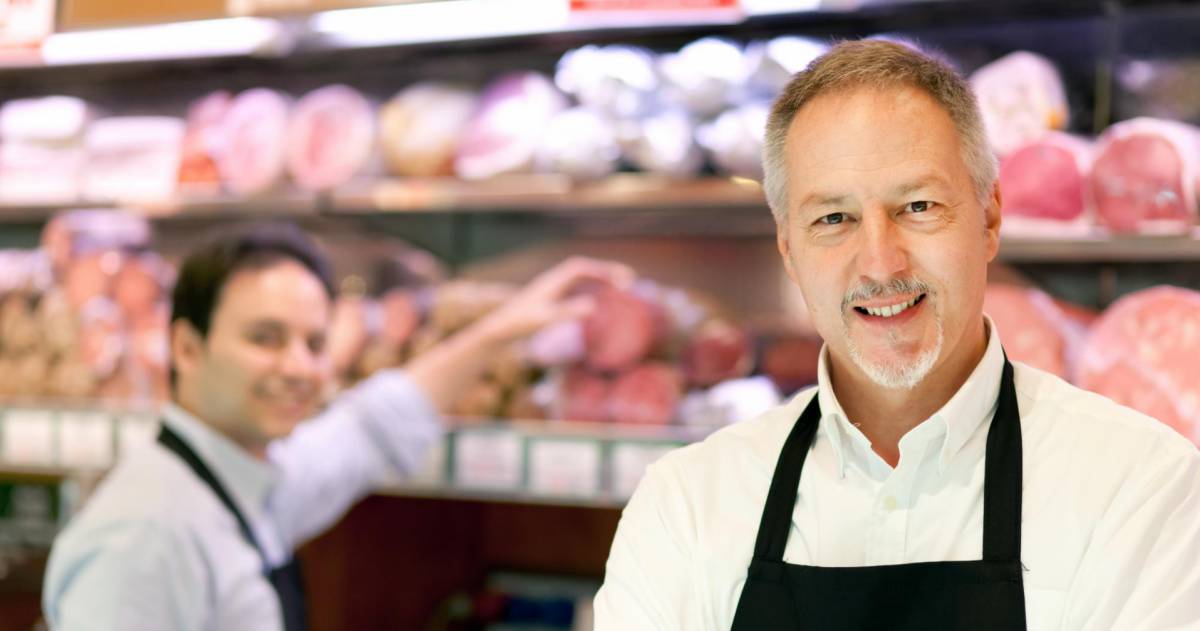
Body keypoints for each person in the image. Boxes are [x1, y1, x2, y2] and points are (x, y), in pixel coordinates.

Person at [594, 39, 1200, 630]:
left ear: (989, 220)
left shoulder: (1139, 487)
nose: (881, 264)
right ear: (788, 248)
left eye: (917, 207)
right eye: (834, 219)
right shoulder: (687, 505)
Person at [42, 222, 633, 631]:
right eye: (265, 338)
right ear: (186, 347)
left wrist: (502, 330)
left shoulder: (246, 484)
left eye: (315, 342)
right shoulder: (145, 537)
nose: (300, 367)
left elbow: (367, 430)